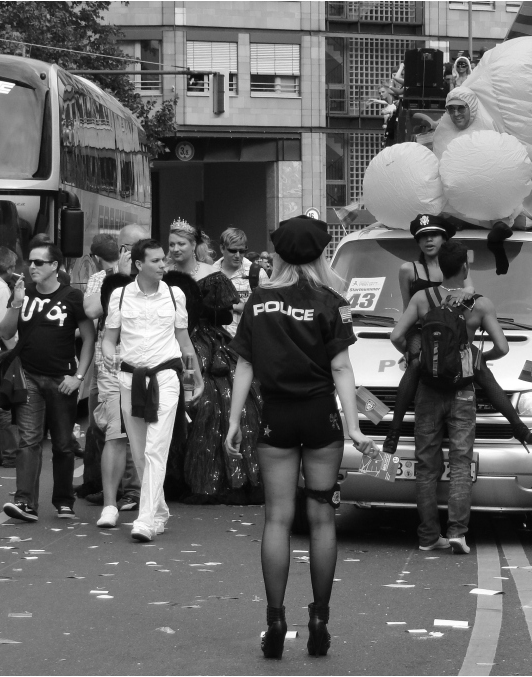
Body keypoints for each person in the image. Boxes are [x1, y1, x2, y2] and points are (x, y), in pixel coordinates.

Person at [226, 216, 377, 660]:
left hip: (275, 416)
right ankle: (319, 621)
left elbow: (245, 365)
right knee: (322, 517)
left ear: (279, 255)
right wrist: (353, 425)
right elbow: (342, 368)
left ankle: (274, 619)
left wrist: (234, 419)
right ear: (318, 254)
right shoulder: (332, 300)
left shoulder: (258, 301)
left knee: (276, 518)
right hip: (319, 419)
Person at [390, 240, 509, 554]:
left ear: (440, 267)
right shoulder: (479, 304)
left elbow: (396, 335)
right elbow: (503, 347)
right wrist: (479, 357)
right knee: (459, 463)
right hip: (462, 391)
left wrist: (413, 356)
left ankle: (428, 537)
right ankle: (457, 533)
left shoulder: (421, 298)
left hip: (427, 390)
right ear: (466, 268)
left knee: (426, 466)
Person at [383, 215, 532, 455]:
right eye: (422, 236)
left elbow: (468, 290)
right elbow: (407, 308)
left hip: (453, 331)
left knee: (479, 367)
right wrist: (413, 350)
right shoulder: (408, 269)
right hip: (422, 329)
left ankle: (517, 426)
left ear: (445, 239)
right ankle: (394, 431)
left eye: (433, 234)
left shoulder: (456, 269)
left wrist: (462, 297)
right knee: (415, 364)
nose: (428, 240)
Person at [103, 239, 203, 541]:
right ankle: (159, 511)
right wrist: (108, 351)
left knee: (155, 448)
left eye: (164, 260)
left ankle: (145, 520)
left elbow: (184, 343)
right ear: (138, 265)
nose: (164, 265)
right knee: (140, 452)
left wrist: (194, 380)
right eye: (157, 261)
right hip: (129, 379)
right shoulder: (119, 296)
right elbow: (109, 338)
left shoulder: (175, 295)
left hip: (166, 379)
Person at [165, 218, 263, 503]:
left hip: (206, 344)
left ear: (194, 246)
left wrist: (205, 310)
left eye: (181, 244)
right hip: (167, 342)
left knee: (216, 403)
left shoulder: (211, 274)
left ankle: (213, 478)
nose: (175, 249)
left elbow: (223, 316)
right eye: (171, 244)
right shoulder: (162, 271)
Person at [0, 243, 95, 522]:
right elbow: (6, 332)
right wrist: (16, 303)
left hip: (61, 379)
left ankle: (64, 500)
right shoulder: (23, 293)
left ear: (55, 266)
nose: (32, 267)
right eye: (31, 262)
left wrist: (78, 378)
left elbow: (89, 338)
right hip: (28, 376)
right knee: (28, 439)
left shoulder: (72, 296)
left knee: (64, 444)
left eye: (40, 262)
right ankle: (24, 502)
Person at [83, 225, 150, 523]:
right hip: (106, 365)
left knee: (128, 430)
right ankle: (111, 491)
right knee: (104, 428)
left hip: (140, 365)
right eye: (128, 247)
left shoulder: (152, 278)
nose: (133, 253)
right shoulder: (101, 278)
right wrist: (118, 278)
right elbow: (91, 310)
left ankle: (133, 491)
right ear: (120, 249)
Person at [0, 247, 19, 468]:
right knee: (3, 404)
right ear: (9, 269)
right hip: (0, 352)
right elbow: (1, 326)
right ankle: (8, 454)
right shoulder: (0, 288)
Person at [212, 227, 267, 337]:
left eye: (242, 251)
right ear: (222, 248)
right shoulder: (210, 273)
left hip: (247, 342)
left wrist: (242, 307)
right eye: (233, 251)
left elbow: (268, 308)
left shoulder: (256, 273)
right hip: (217, 341)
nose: (238, 255)